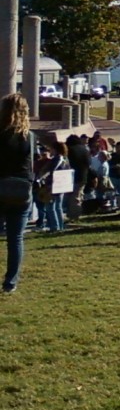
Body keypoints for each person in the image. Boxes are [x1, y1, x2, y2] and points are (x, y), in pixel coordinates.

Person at [0, 94, 34, 293]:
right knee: (16, 239)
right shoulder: (29, 136)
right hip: (21, 189)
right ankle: (10, 282)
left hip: (1, 183)